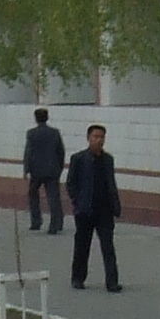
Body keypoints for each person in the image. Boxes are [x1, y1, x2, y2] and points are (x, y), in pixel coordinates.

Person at [66, 123, 123, 292]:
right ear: (88, 138)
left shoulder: (108, 160)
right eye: (95, 137)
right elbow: (71, 183)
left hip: (104, 210)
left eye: (102, 137)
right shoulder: (79, 159)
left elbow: (111, 184)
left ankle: (112, 282)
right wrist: (77, 202)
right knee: (82, 245)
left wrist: (116, 205)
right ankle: (78, 278)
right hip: (85, 211)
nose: (99, 140)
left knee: (108, 247)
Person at [22, 107, 67, 233]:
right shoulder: (55, 132)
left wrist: (26, 169)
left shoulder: (31, 133)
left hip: (36, 170)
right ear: (47, 118)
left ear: (36, 119)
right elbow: (61, 151)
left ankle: (36, 222)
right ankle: (56, 224)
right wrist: (59, 167)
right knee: (53, 197)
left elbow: (28, 152)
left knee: (33, 195)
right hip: (52, 170)